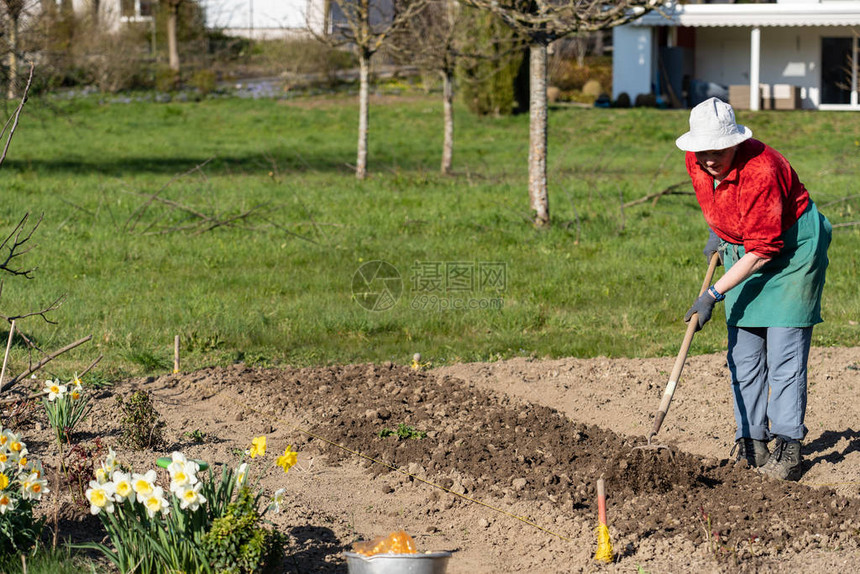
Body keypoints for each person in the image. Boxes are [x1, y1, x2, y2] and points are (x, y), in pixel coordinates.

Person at [675, 97, 831, 481]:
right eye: (702, 150)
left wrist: (713, 294)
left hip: (790, 251)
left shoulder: (761, 169)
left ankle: (789, 444)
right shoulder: (695, 158)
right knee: (743, 351)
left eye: (718, 150)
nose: (709, 158)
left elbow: (765, 249)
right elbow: (717, 197)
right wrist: (720, 229)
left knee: (783, 350)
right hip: (746, 246)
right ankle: (751, 439)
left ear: (735, 143)